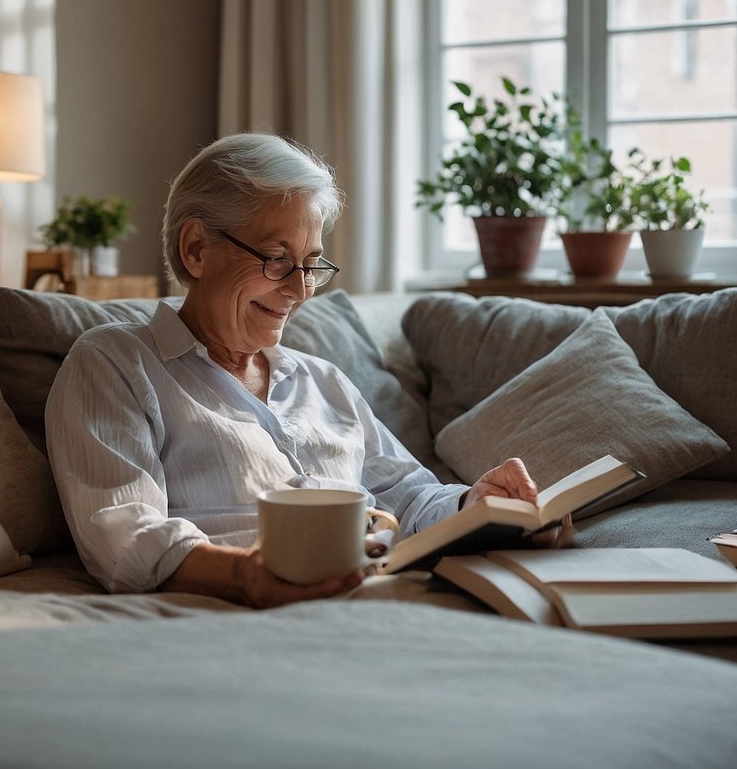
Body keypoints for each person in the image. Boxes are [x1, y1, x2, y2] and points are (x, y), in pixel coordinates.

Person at [45, 132, 571, 609]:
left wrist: (484, 507)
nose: (299, 291)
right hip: (248, 612)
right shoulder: (115, 362)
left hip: (383, 597)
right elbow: (123, 534)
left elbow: (411, 496)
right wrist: (245, 574)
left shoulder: (323, 381)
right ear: (197, 248)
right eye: (276, 259)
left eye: (311, 264)